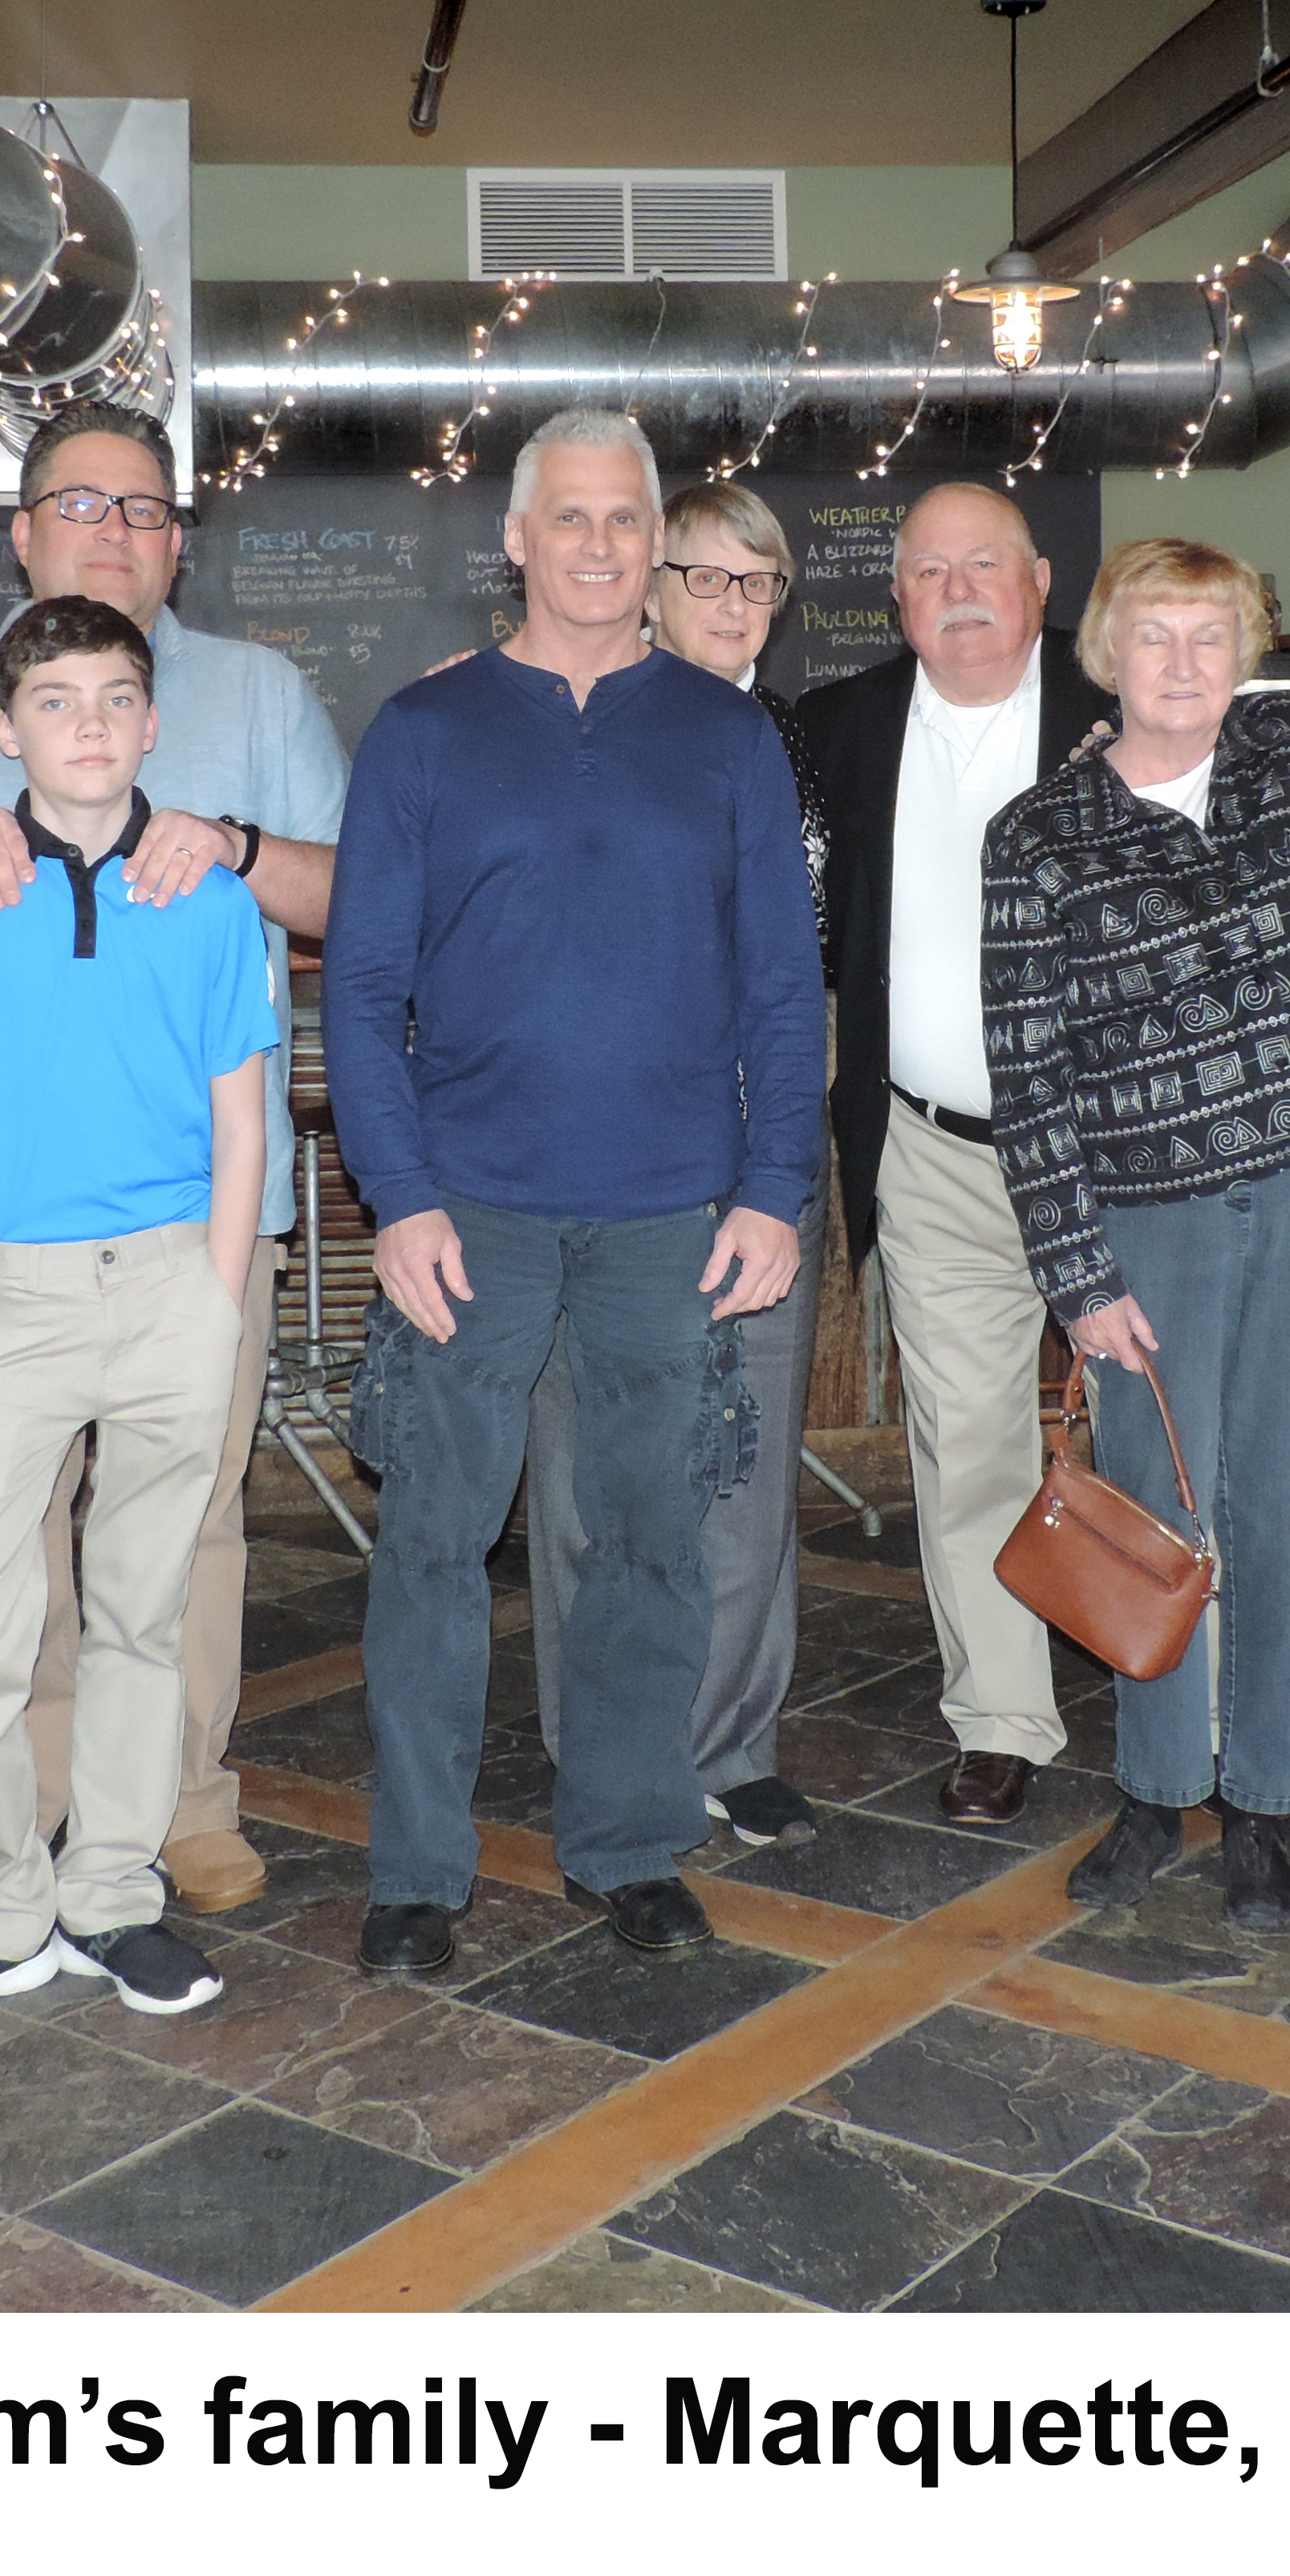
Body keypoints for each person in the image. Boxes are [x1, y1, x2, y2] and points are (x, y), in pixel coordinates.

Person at [0, 402, 346, 1935]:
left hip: (195, 1227)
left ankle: (179, 1809)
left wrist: (229, 845)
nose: (115, 529)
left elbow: (356, 900)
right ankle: (2, 1831)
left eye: (148, 509)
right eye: (80, 503)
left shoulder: (261, 694)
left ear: (179, 542)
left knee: (191, 1527)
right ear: (17, 531)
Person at [325, 412, 821, 1978]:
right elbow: (361, 986)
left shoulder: (728, 736)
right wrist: (395, 1194)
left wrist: (776, 1186)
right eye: (574, 520)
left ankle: (627, 1837)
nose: (601, 547)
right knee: (435, 1546)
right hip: (469, 1214)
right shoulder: (423, 727)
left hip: (674, 1214)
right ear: (519, 541)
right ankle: (417, 1866)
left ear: (653, 544)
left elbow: (783, 994)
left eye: (629, 522)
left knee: (654, 1542)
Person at [980, 537, 1290, 1932]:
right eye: (1157, 635)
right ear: (1108, 652)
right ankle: (1155, 1790)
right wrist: (1075, 1269)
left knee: (1281, 1508)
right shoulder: (1040, 836)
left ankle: (1266, 1802)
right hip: (1143, 1219)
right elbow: (1026, 1068)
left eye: (1212, 634)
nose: (1185, 662)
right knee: (1153, 1513)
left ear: (1252, 647)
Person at [0, 594, 274, 2039]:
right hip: (10, 1291)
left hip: (169, 1289)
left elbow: (239, 1113)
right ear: (2, 727)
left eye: (113, 700)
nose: (86, 725)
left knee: (143, 1613)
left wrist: (218, 1290)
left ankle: (110, 1896)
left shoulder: (209, 894)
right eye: (54, 701)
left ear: (152, 723)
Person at [521, 477, 834, 1852]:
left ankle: (728, 1738)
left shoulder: (801, 746)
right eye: (704, 575)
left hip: (766, 1151)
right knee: (590, 1462)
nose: (731, 606)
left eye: (757, 583)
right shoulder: (564, 728)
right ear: (646, 582)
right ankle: (605, 1738)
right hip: (604, 1156)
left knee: (744, 1462)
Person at [800, 483, 1115, 1829]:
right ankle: (1001, 1717)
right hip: (929, 1150)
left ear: (1041, 580)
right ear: (899, 601)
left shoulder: (1117, 711)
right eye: (931, 571)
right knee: (970, 1445)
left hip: (1114, 1153)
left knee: (1165, 1444)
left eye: (986, 563)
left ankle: (1189, 1697)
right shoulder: (841, 729)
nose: (962, 589)